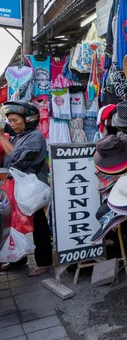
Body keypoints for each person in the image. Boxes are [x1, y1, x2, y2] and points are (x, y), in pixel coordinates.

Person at [0, 101, 53, 276]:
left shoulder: (35, 136)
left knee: (37, 223)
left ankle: (45, 262)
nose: (11, 124)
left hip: (32, 189)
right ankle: (17, 259)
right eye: (10, 121)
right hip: (17, 187)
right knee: (14, 223)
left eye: (15, 120)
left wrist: (1, 137)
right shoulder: (17, 136)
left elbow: (17, 157)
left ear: (28, 119)